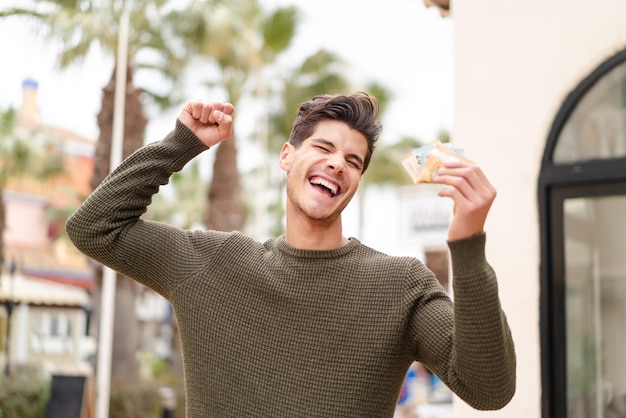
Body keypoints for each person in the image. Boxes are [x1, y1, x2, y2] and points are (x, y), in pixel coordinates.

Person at [66, 92, 516, 417]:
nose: (338, 163)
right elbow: (93, 228)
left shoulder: (401, 285)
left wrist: (468, 244)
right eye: (323, 147)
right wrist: (180, 144)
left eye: (353, 161)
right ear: (287, 156)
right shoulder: (210, 263)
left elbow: (488, 389)